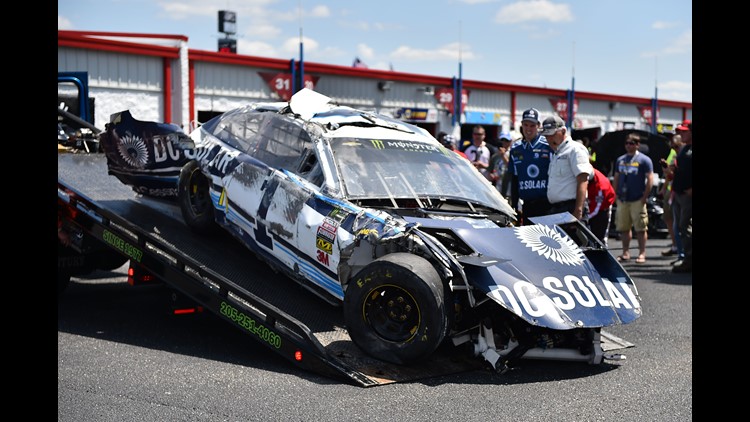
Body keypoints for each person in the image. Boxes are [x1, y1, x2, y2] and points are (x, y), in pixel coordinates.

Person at [503, 108, 552, 224]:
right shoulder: (515, 148)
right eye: (526, 125)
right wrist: (514, 205)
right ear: (521, 125)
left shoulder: (548, 145)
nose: (528, 129)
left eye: (532, 125)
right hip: (527, 205)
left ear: (538, 126)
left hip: (547, 204)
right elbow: (514, 179)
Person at [541, 115, 592, 221]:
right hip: (557, 209)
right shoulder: (557, 153)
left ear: (563, 131)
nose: (549, 139)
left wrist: (578, 210)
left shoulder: (575, 149)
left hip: (571, 207)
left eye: (552, 134)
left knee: (575, 238)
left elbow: (583, 180)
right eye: (546, 136)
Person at [612, 133, 654, 264]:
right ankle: (626, 252)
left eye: (632, 143)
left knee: (640, 228)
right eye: (627, 143)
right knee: (624, 227)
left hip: (637, 199)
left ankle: (642, 253)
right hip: (623, 199)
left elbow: (650, 178)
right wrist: (615, 194)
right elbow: (616, 178)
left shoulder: (644, 160)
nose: (629, 146)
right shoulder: (620, 159)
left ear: (637, 145)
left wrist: (645, 196)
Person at [671, 121, 692, 273]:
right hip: (679, 193)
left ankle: (689, 260)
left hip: (687, 195)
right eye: (680, 132)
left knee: (686, 227)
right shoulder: (684, 149)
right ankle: (686, 258)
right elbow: (680, 171)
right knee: (680, 227)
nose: (681, 134)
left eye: (684, 132)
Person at [658, 134, 684, 258]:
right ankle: (676, 246)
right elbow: (669, 174)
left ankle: (683, 250)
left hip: (683, 191)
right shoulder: (673, 153)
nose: (674, 149)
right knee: (669, 218)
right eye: (672, 146)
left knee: (683, 222)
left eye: (676, 146)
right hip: (672, 190)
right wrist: (663, 188)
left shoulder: (685, 154)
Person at [586, 167, 616, 246]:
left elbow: (596, 209)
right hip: (590, 199)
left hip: (603, 206)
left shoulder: (601, 186)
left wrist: (584, 218)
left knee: (599, 235)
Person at [487, 132, 513, 196]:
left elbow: (511, 167)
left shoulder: (513, 154)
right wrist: (492, 175)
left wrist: (503, 156)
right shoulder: (495, 156)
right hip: (497, 186)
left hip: (509, 187)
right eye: (502, 140)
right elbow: (489, 171)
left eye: (506, 141)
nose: (504, 143)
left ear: (510, 142)